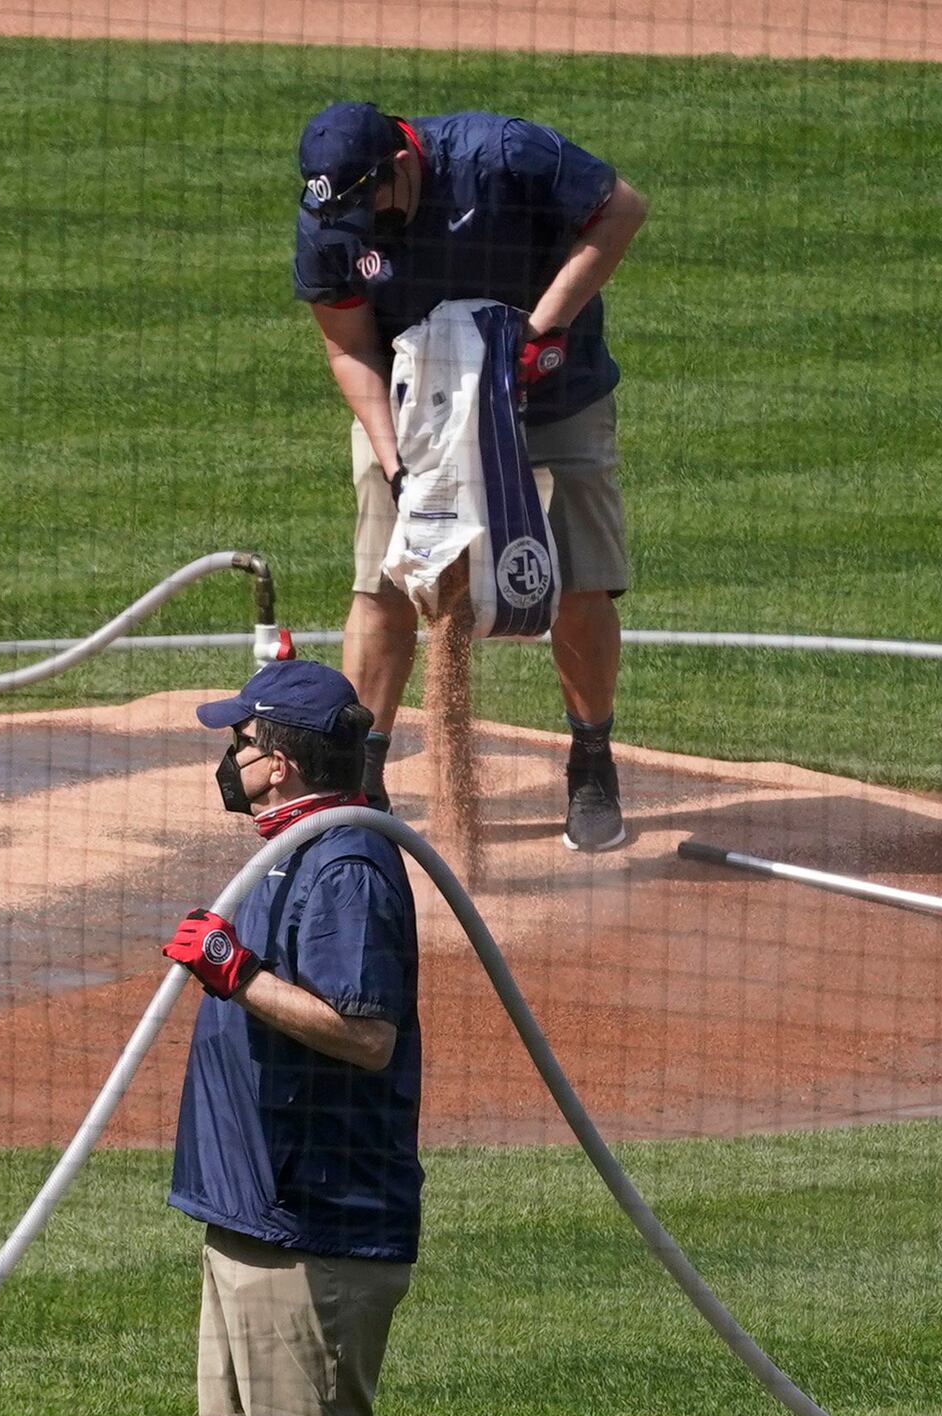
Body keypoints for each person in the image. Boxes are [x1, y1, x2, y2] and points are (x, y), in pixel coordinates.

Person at [148, 659, 421, 1416]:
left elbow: (364, 1034)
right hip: (251, 1202)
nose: (227, 755)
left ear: (283, 757)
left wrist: (233, 974)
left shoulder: (346, 861)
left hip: (318, 1208)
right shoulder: (295, 844)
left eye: (242, 737)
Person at [295, 97, 649, 854]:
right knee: (383, 581)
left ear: (400, 164)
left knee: (580, 578)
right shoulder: (330, 222)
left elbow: (620, 209)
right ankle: (365, 778)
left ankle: (591, 762)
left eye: (373, 209)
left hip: (553, 389)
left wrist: (542, 327)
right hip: (413, 402)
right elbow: (349, 350)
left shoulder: (503, 155)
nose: (365, 231)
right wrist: (396, 468)